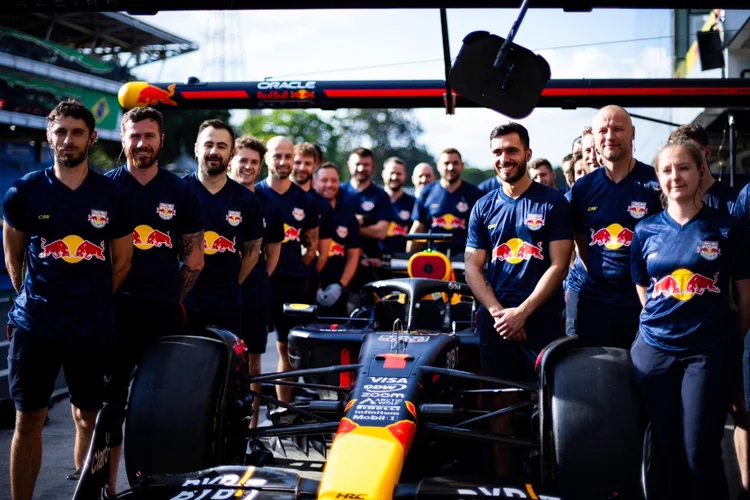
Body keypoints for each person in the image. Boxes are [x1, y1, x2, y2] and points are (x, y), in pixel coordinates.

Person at [4, 99, 133, 500]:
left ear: (91, 138)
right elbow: (14, 258)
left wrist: (89, 302)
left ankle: (86, 493)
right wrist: (43, 299)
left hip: (92, 328)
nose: (68, 139)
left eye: (77, 131)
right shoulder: (23, 191)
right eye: (61, 131)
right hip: (36, 326)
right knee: (28, 419)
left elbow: (122, 261)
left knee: (89, 417)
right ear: (49, 135)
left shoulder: (112, 195)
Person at [630, 141, 750, 500]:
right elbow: (643, 288)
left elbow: (745, 295)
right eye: (666, 170)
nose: (675, 177)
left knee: (699, 451)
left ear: (701, 172)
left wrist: (728, 339)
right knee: (665, 451)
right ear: (658, 178)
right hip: (654, 353)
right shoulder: (645, 230)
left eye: (683, 168)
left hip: (707, 353)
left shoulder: (728, 227)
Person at [105, 106, 204, 492]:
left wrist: (171, 297)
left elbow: (194, 259)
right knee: (110, 405)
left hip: (162, 317)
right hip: (115, 314)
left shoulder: (180, 191)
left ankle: (162, 485)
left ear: (162, 140)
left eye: (150, 136)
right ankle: (106, 487)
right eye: (135, 135)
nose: (142, 143)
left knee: (163, 408)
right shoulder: (105, 189)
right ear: (123, 138)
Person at [465, 122, 572, 476]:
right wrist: (500, 313)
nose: (504, 158)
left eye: (511, 150)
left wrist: (523, 313)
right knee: (500, 402)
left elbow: (559, 265)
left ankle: (545, 479)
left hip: (540, 319)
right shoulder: (482, 207)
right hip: (496, 322)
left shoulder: (553, 202)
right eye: (497, 152)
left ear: (527, 153)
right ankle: (503, 481)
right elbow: (471, 268)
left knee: (547, 403)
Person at [567, 105, 662, 348]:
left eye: (618, 129)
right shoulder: (582, 188)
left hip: (644, 303)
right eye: (603, 131)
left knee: (639, 379)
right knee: (597, 378)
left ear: (632, 133)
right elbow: (579, 237)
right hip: (595, 303)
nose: (610, 137)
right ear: (595, 139)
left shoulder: (656, 184)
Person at [183, 120, 264, 337]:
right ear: (196, 149)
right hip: (183, 304)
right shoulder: (178, 192)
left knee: (224, 368)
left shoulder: (247, 200)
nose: (213, 152)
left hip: (227, 305)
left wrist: (229, 285)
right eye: (208, 145)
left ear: (232, 152)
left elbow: (251, 254)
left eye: (221, 146)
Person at [256, 136, 319, 403]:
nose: (283, 162)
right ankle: (248, 419)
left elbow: (311, 246)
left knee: (287, 348)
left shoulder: (306, 201)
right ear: (266, 157)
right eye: (277, 155)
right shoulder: (253, 194)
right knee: (250, 352)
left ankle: (283, 411)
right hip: (257, 282)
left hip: (291, 283)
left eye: (288, 156)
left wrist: (294, 266)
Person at [228, 135, 283, 428]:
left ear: (260, 167)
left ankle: (250, 430)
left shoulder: (269, 206)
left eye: (254, 162)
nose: (248, 167)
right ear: (231, 160)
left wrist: (255, 278)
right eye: (243, 160)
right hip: (218, 294)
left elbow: (273, 253)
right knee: (219, 362)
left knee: (253, 365)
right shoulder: (215, 194)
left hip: (254, 295)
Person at [408, 148, 483, 257]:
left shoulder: (475, 194)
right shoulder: (427, 192)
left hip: (465, 260)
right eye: (446, 163)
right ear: (438, 166)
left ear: (462, 166)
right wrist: (408, 258)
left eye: (455, 163)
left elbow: (482, 232)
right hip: (433, 258)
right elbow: (418, 228)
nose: (451, 167)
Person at [313, 162, 361, 316]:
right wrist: (313, 285)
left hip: (337, 289)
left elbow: (353, 255)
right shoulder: (308, 209)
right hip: (309, 288)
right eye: (324, 180)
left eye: (334, 180)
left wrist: (341, 285)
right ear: (314, 182)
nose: (329, 184)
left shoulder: (347, 215)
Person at [339, 147, 391, 279]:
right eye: (357, 164)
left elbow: (380, 232)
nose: (361, 169)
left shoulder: (381, 196)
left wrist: (346, 226)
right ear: (349, 165)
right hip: (340, 260)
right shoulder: (338, 192)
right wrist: (360, 222)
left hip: (371, 263)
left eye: (366, 165)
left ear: (373, 167)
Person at [292, 142, 333, 302]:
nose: (302, 167)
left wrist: (307, 275)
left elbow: (322, 254)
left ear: (315, 165)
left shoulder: (321, 204)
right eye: (297, 162)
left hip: (306, 280)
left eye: (307, 163)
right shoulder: (269, 196)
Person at [668, 124, 735, 215]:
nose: (684, 161)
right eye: (677, 157)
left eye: (692, 154)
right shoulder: (668, 205)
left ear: (707, 152)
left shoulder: (733, 202)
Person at [381, 157, 415, 256]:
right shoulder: (374, 200)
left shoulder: (413, 203)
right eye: (391, 173)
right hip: (375, 260)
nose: (394, 177)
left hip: (402, 261)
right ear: (383, 174)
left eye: (399, 174)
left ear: (405, 175)